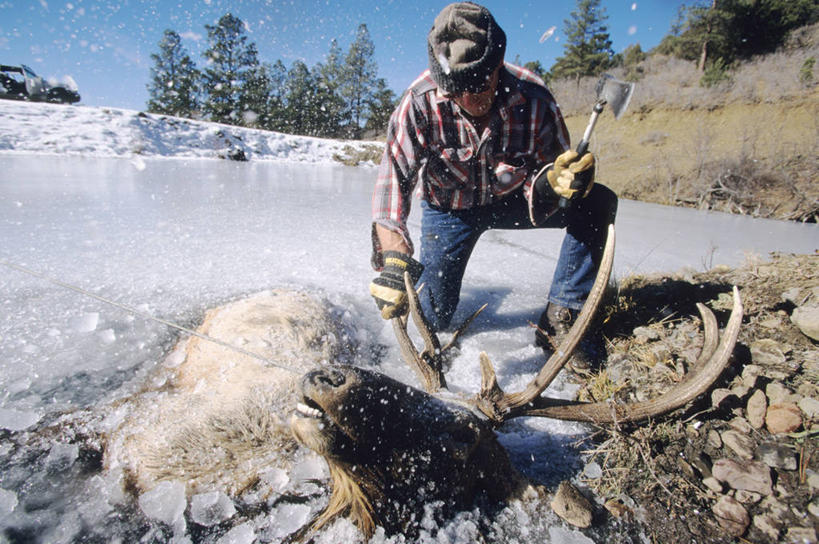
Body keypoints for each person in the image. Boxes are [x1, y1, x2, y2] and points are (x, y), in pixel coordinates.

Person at [368, 1, 617, 368]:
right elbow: (393, 182)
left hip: (515, 200)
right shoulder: (419, 102)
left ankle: (563, 314)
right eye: (455, 91)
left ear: (498, 64)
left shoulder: (535, 99)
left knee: (597, 201)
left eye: (479, 86)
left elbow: (557, 174)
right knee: (434, 318)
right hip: (449, 212)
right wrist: (394, 260)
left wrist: (557, 183)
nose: (469, 100)